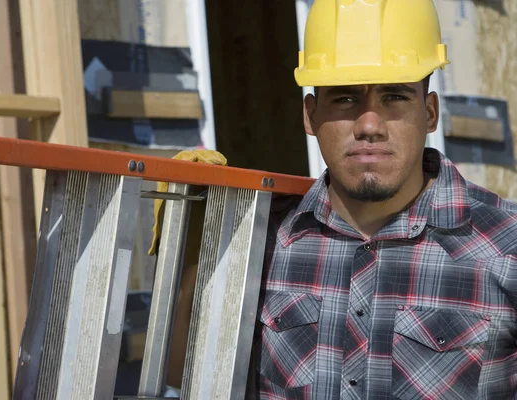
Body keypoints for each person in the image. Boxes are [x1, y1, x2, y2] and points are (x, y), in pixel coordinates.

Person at [151, 0, 517, 398]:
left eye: (394, 96)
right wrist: (197, 252)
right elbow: (186, 375)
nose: (369, 124)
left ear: (429, 112)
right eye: (345, 98)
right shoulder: (259, 240)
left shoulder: (506, 247)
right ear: (310, 115)